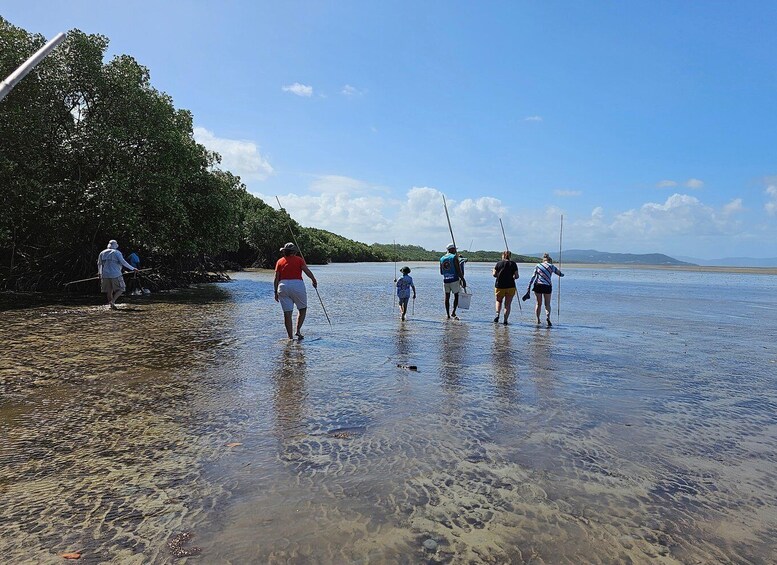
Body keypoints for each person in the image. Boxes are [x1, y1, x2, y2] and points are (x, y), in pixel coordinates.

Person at [274, 242, 318, 340]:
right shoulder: (299, 260)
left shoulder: (280, 261)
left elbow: (276, 278)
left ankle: (290, 337)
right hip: (297, 285)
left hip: (283, 286)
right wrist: (313, 280)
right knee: (302, 309)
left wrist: (275, 292)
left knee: (287, 313)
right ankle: (297, 331)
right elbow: (306, 271)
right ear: (294, 252)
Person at [97, 240, 138, 309]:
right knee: (121, 288)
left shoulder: (102, 253)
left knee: (109, 291)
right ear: (115, 245)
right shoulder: (117, 252)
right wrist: (133, 268)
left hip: (105, 275)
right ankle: (112, 302)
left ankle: (111, 305)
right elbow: (123, 262)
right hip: (116, 274)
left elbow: (99, 264)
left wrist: (100, 274)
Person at [529, 252, 564, 326]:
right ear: (549, 260)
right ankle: (548, 317)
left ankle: (538, 320)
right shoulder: (552, 266)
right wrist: (562, 273)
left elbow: (533, 277)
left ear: (543, 260)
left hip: (538, 285)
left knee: (538, 303)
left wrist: (529, 287)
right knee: (547, 304)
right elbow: (560, 274)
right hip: (547, 286)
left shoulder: (538, 266)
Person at [440, 243, 466, 319]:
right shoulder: (454, 257)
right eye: (455, 249)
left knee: (447, 297)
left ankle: (447, 314)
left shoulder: (442, 258)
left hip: (446, 280)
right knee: (456, 296)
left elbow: (441, 272)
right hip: (454, 280)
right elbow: (458, 270)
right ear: (451, 249)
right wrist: (463, 279)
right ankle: (453, 312)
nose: (456, 251)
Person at [493, 250, 519, 325]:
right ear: (510, 256)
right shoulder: (513, 264)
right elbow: (517, 276)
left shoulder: (498, 263)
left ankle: (497, 314)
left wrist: (493, 271)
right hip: (510, 286)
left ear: (503, 256)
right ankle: (505, 320)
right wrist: (513, 277)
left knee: (498, 301)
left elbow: (494, 274)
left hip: (499, 286)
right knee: (507, 305)